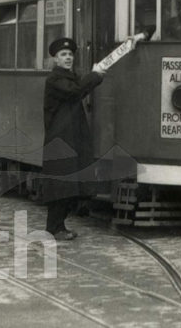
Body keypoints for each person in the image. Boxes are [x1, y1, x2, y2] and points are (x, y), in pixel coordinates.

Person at [41, 37, 107, 241]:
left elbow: (79, 87)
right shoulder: (55, 80)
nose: (68, 57)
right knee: (62, 184)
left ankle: (57, 227)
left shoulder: (69, 77)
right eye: (63, 55)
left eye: (70, 55)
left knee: (68, 183)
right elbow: (76, 91)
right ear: (55, 59)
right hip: (60, 139)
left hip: (70, 137)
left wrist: (95, 75)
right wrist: (95, 75)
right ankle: (54, 228)